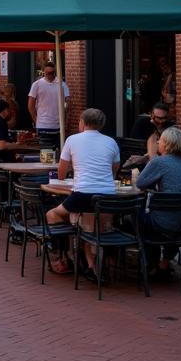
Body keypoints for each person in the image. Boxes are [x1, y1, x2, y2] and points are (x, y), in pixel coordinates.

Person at [45, 107, 119, 281]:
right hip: (107, 197)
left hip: (83, 195)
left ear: (83, 123)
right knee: (88, 224)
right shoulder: (111, 142)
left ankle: (63, 257)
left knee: (52, 214)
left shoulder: (72, 140)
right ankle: (92, 263)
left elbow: (61, 172)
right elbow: (114, 170)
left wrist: (70, 175)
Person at [132, 125, 181, 277]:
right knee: (170, 216)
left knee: (136, 215)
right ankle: (165, 261)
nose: (158, 143)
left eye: (160, 141)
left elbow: (140, 184)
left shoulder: (159, 162)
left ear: (167, 144)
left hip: (166, 223)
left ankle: (151, 260)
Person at [27, 60, 69, 145]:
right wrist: (36, 120)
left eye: (52, 73)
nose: (50, 75)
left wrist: (66, 121)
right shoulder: (37, 84)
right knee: (45, 153)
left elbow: (68, 104)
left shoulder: (62, 84)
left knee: (58, 151)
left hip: (58, 125)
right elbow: (30, 105)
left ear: (55, 72)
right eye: (47, 73)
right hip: (43, 125)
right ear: (44, 72)